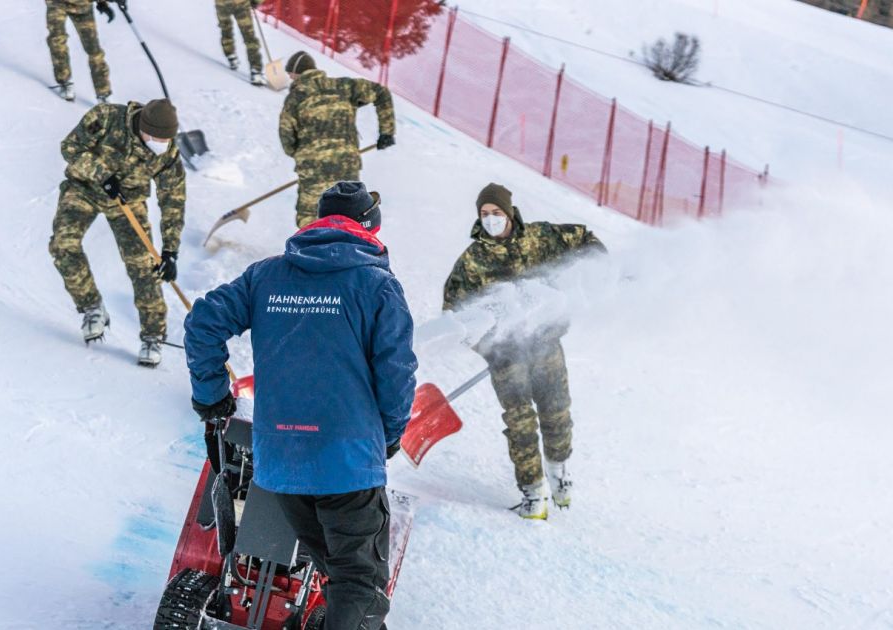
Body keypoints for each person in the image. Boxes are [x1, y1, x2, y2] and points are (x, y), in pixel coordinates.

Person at [185, 181, 417, 630]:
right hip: (347, 462)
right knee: (358, 585)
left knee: (335, 576)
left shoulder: (266, 276)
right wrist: (386, 438)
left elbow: (203, 325)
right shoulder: (378, 286)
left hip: (282, 464)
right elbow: (397, 374)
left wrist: (212, 396)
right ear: (371, 228)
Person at [442, 183, 605, 519]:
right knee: (520, 423)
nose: (490, 220)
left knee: (556, 413)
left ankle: (558, 471)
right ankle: (533, 492)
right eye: (485, 214)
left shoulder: (541, 237)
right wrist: (485, 343)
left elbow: (585, 239)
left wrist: (599, 272)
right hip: (505, 357)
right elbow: (455, 313)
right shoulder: (472, 261)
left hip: (546, 344)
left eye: (496, 213)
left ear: (509, 212)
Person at [48, 98, 186, 367]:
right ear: (142, 127)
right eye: (155, 137)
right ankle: (91, 307)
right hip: (84, 189)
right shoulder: (107, 117)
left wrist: (170, 250)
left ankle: (152, 336)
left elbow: (173, 198)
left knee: (144, 266)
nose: (160, 143)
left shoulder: (167, 151)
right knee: (63, 244)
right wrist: (101, 174)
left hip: (129, 202)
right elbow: (70, 147)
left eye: (165, 139)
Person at [278, 51, 396, 228]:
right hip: (346, 165)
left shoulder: (295, 97)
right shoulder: (343, 86)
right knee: (347, 214)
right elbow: (381, 92)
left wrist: (301, 155)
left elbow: (286, 135)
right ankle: (346, 251)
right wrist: (386, 132)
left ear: (297, 72)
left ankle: (311, 252)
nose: (290, 78)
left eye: (290, 75)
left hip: (312, 167)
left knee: (310, 218)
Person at [45, 0, 114, 103]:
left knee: (93, 50)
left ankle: (103, 93)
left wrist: (102, 3)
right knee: (57, 41)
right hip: (57, 4)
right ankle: (64, 81)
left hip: (83, 8)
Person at [214, 0, 266, 86]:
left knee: (226, 29)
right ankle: (256, 71)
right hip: (241, 5)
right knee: (249, 37)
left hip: (222, 4)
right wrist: (256, 2)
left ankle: (230, 56)